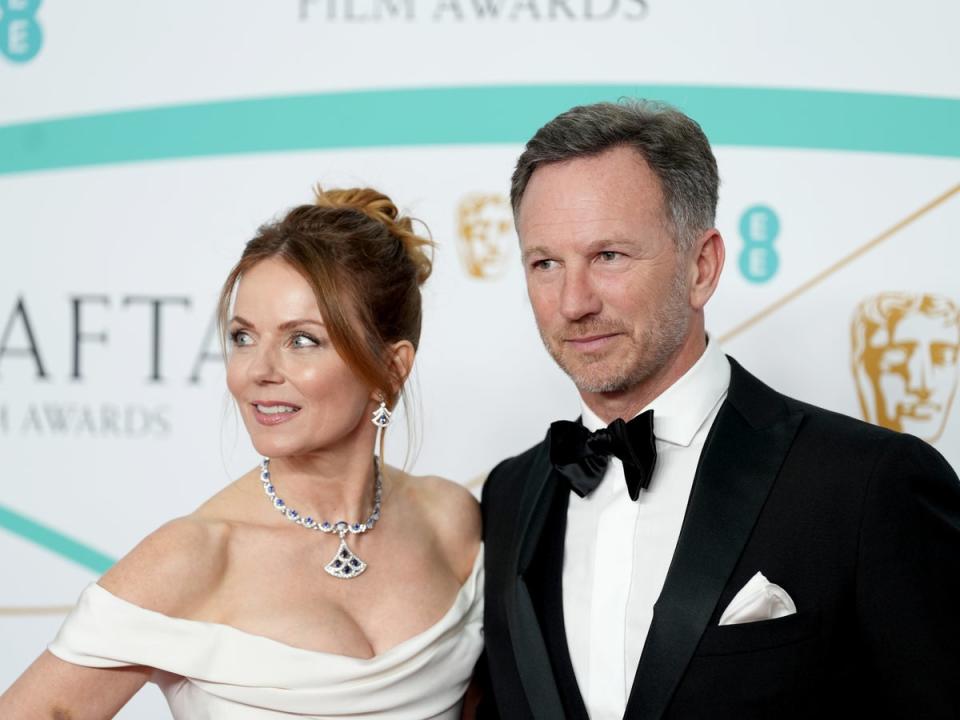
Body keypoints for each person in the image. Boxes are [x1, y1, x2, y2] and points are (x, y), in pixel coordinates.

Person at [477, 100, 960, 718]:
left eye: (609, 256)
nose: (573, 302)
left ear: (701, 267)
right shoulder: (510, 495)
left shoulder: (866, 483)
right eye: (546, 263)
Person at [0, 187, 482, 719]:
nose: (257, 371)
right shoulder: (193, 556)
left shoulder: (451, 521)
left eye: (302, 340)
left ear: (391, 369)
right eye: (243, 336)